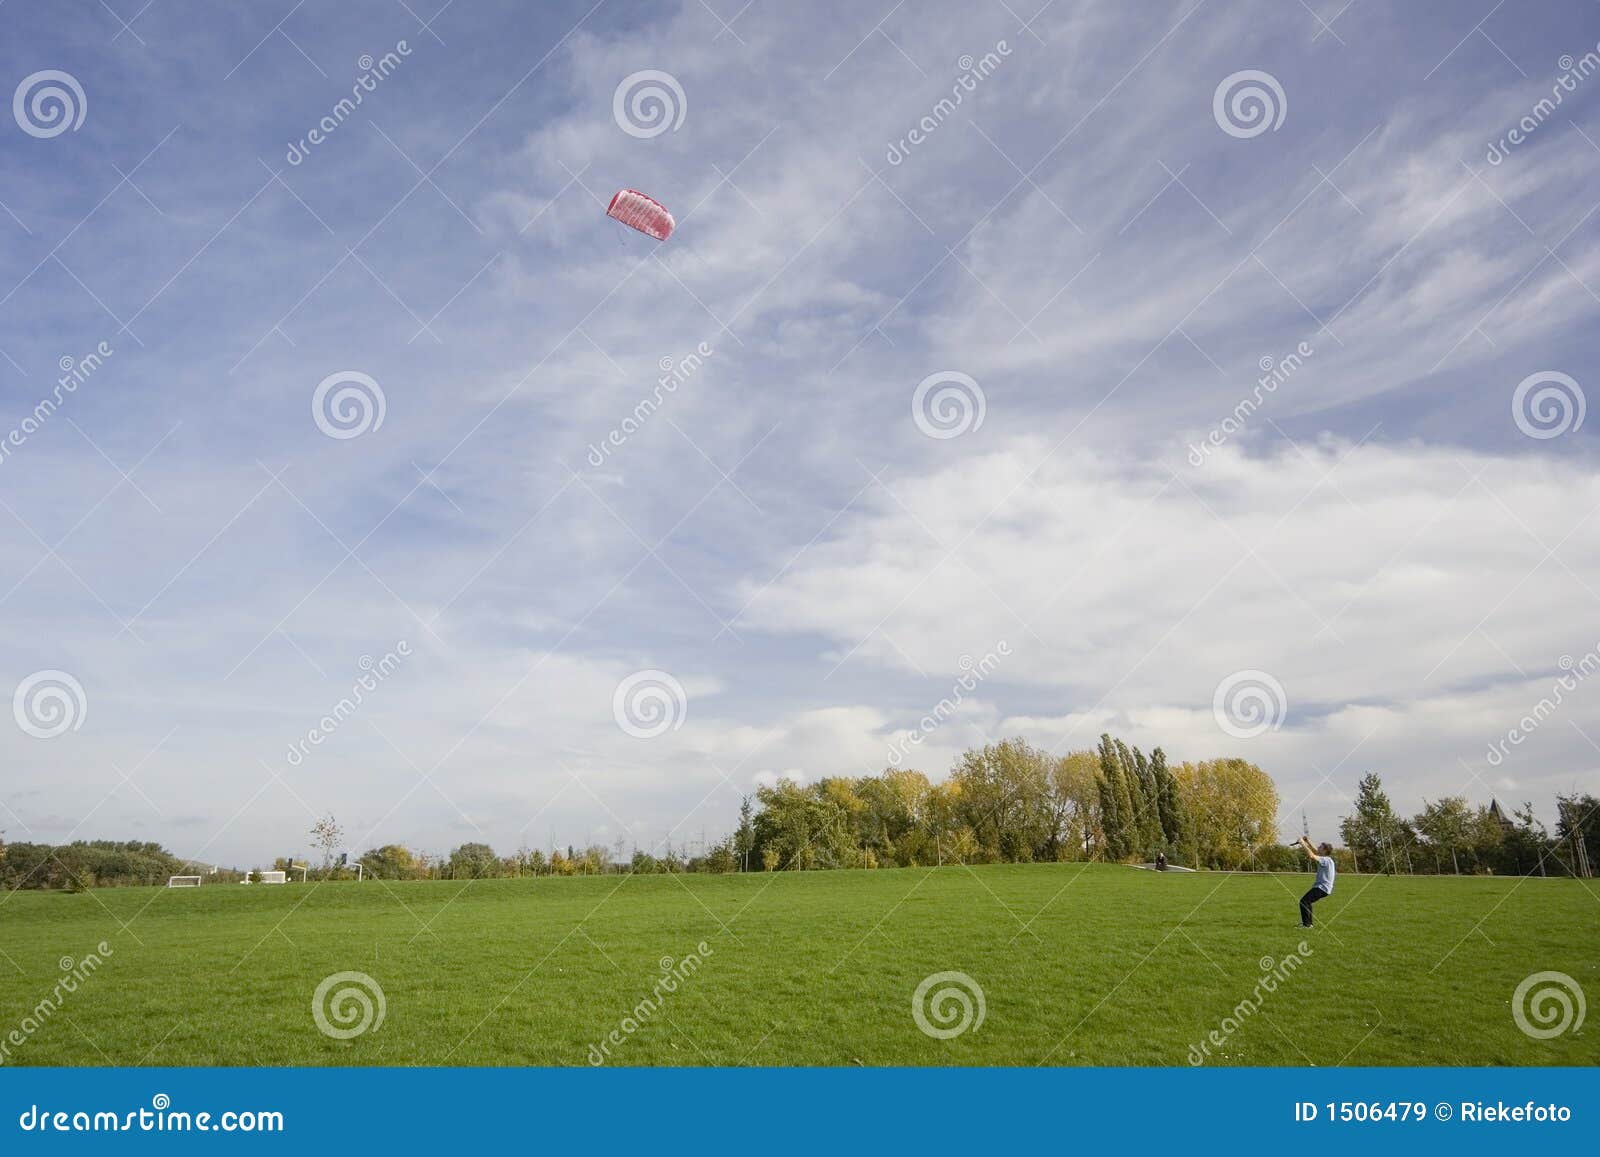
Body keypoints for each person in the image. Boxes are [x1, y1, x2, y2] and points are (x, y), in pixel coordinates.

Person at [1295, 836, 1335, 927]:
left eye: (1321, 847)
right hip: (1323, 888)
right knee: (1307, 902)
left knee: (1304, 902)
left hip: (1322, 888)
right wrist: (1308, 841)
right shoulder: (1327, 859)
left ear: (1325, 851)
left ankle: (1307, 925)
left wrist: (1302, 843)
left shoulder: (1325, 860)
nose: (1318, 848)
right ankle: (1308, 924)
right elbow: (1315, 850)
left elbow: (1312, 855)